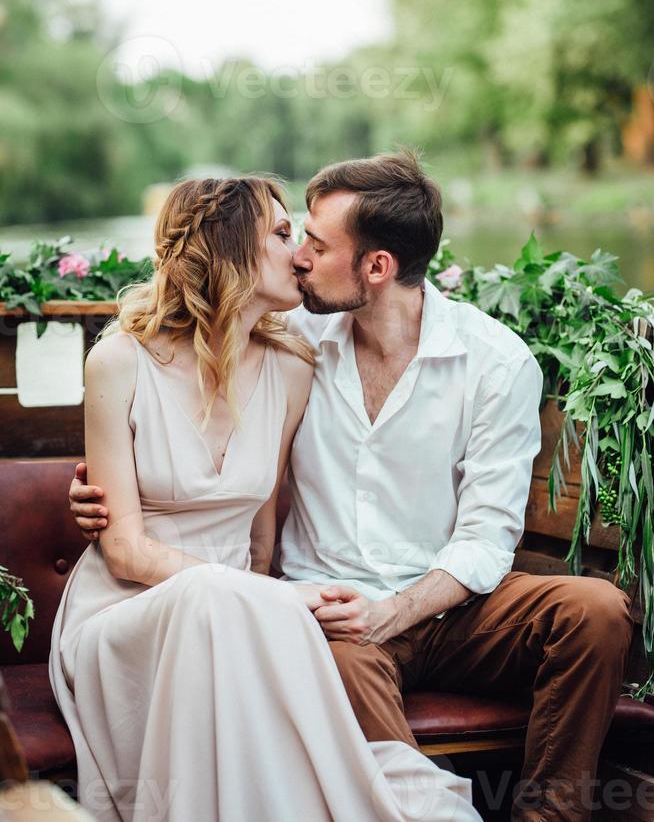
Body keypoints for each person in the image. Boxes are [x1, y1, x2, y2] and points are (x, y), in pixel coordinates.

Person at [69, 152, 634, 822]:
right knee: (347, 666)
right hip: (332, 609)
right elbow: (236, 481)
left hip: (449, 602)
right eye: (293, 237)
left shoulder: (496, 362)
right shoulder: (293, 340)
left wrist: (397, 609)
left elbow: (486, 538)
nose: (301, 257)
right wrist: (114, 493)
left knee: (596, 611)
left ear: (377, 267)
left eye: (316, 243)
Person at [51, 174, 479, 822]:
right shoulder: (118, 361)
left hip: (237, 612)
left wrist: (263, 596)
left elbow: (259, 535)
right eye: (282, 235)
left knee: (226, 614)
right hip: (126, 617)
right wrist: (272, 596)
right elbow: (125, 552)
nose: (300, 254)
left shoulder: (291, 365)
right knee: (209, 598)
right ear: (229, 251)